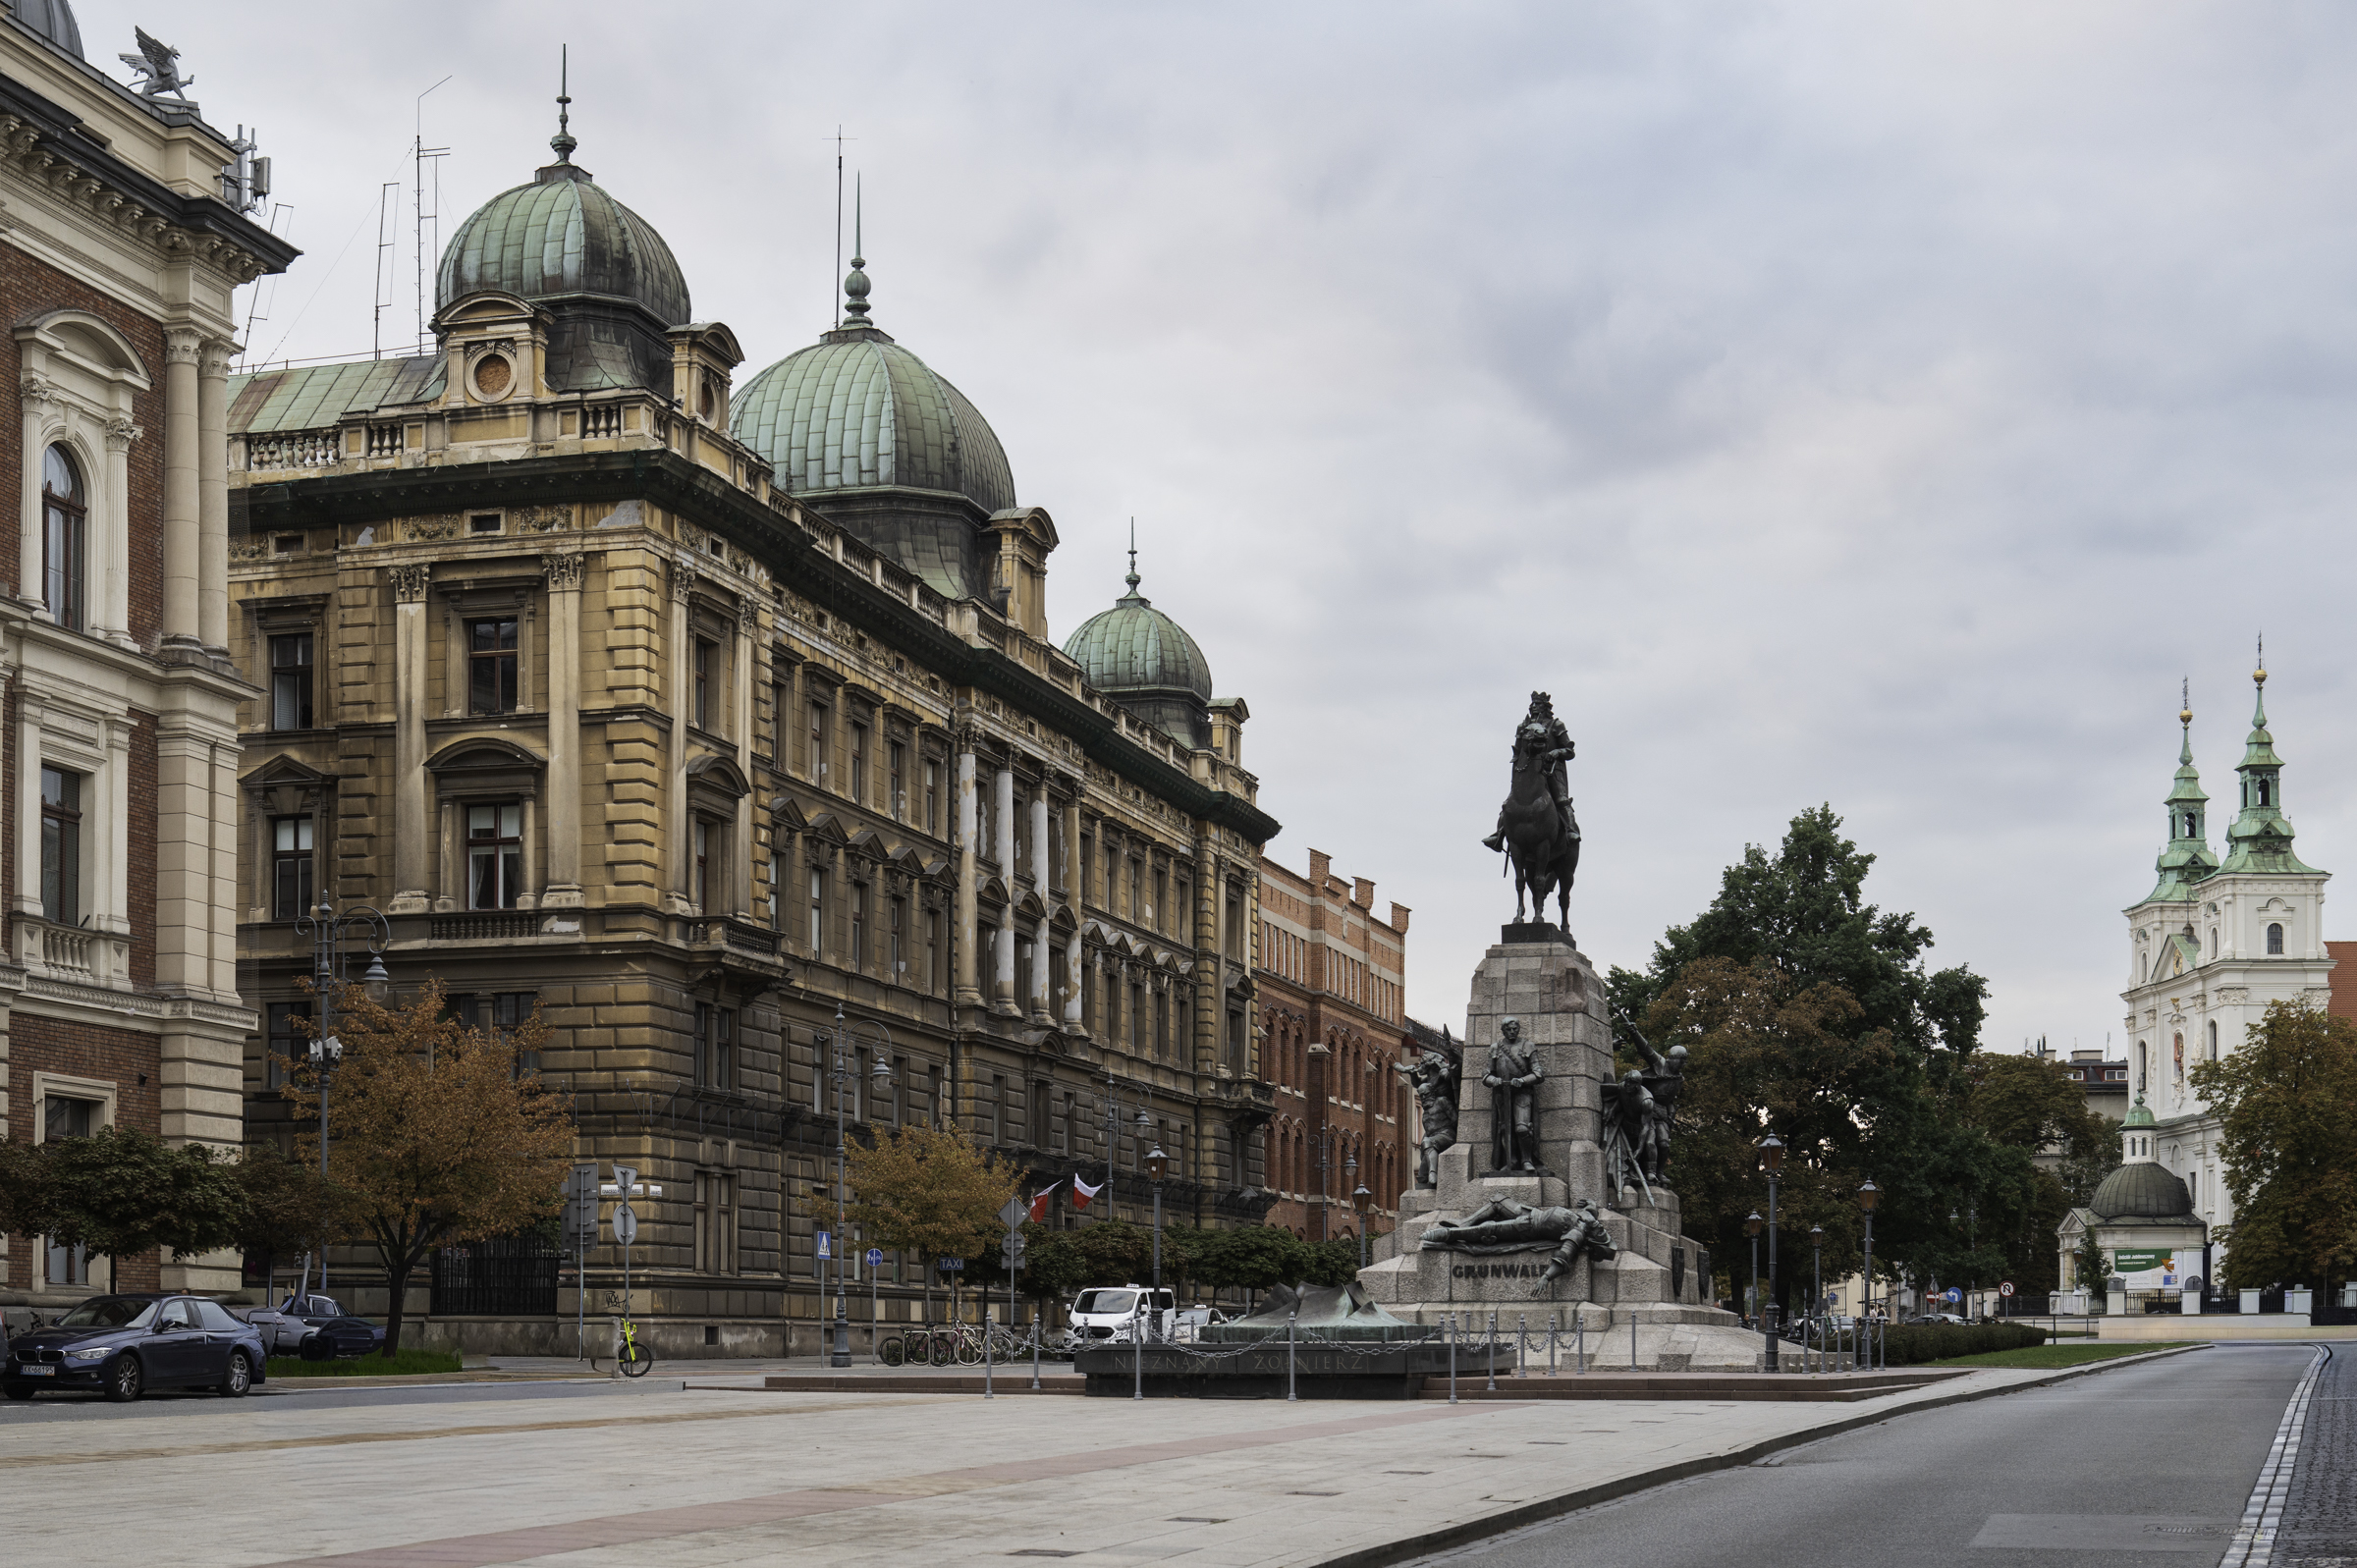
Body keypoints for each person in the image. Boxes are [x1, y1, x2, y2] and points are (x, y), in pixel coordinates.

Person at [1483, 691, 1576, 851]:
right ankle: (1498, 835)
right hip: (1528, 773)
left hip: (1551, 770)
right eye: (1532, 704)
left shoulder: (1556, 725)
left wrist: (1556, 753)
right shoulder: (1523, 727)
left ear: (1546, 707)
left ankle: (1570, 831)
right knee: (1509, 803)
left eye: (1538, 704)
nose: (1534, 707)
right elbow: (1517, 752)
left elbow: (1570, 751)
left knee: (1561, 800)